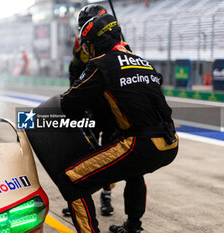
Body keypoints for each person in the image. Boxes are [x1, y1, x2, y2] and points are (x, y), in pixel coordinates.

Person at [60, 14, 178, 233]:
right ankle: (133, 227)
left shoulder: (100, 64)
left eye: (88, 46)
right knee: (135, 171)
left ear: (96, 43)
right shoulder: (143, 62)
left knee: (72, 179)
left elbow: (69, 103)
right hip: (170, 143)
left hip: (141, 145)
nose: (88, 51)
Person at [63, 4, 116, 218]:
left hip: (111, 108)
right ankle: (82, 198)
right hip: (89, 107)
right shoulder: (79, 45)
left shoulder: (116, 44)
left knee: (109, 152)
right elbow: (74, 72)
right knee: (84, 153)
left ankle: (106, 196)